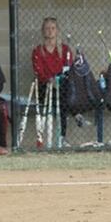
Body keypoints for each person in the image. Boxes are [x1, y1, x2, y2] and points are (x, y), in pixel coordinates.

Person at [32, 17, 73, 146]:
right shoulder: (38, 51)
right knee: (53, 98)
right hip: (45, 85)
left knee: (62, 100)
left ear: (57, 31)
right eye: (47, 28)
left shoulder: (65, 50)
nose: (50, 31)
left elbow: (68, 68)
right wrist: (48, 79)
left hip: (61, 84)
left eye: (53, 28)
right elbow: (38, 70)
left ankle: (62, 137)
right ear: (43, 31)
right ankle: (42, 138)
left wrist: (58, 79)